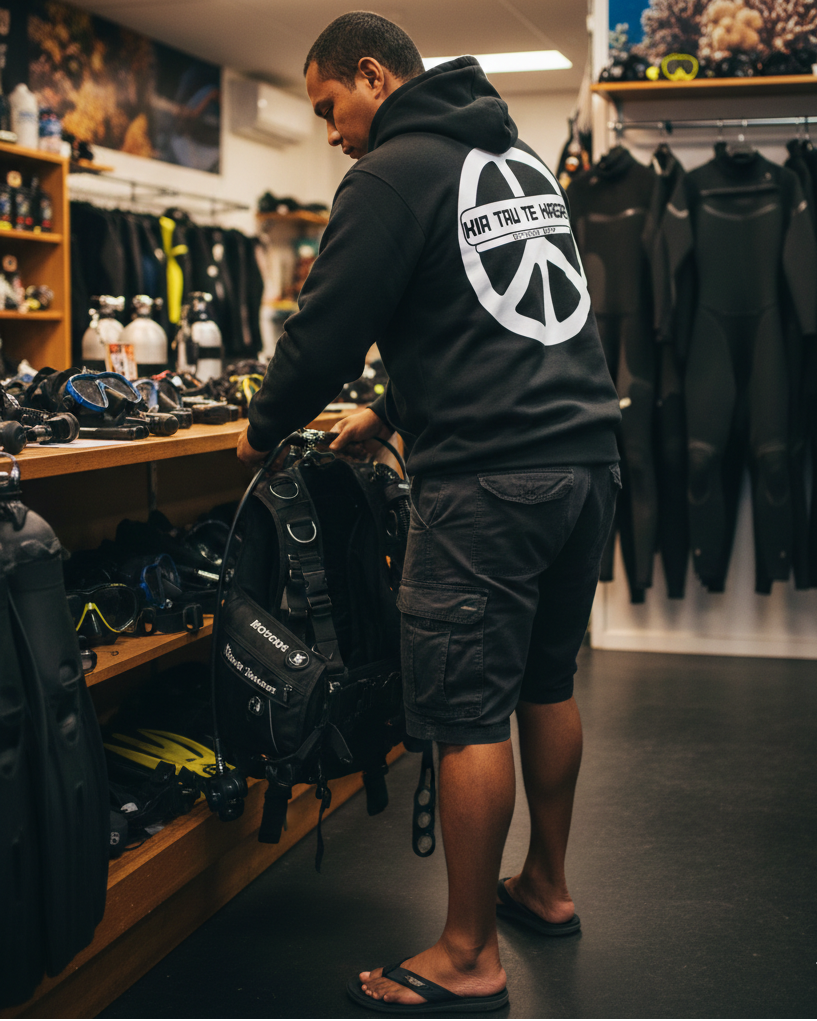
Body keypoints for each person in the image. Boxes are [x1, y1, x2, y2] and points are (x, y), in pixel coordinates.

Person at [237, 11, 620, 1013]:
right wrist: (392, 408)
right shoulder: (518, 158)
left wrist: (261, 425)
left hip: (490, 479)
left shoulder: (390, 169)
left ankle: (466, 951)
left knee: (462, 711)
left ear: (372, 77)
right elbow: (499, 312)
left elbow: (326, 327)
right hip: (584, 460)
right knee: (545, 677)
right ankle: (545, 882)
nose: (331, 133)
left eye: (329, 107)